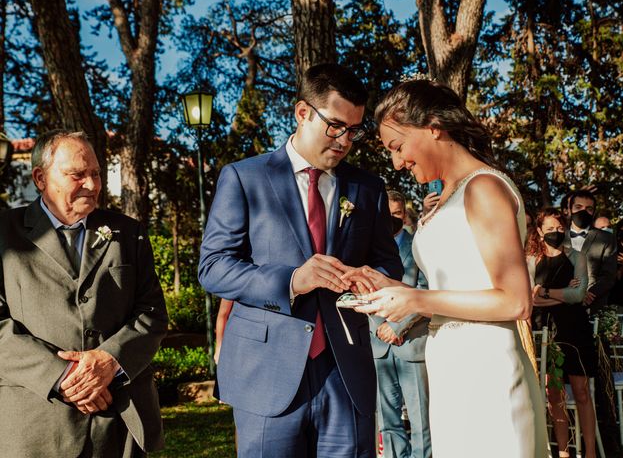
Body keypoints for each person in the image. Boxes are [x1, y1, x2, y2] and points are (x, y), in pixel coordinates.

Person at [198, 63, 403, 457]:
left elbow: (387, 265)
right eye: (336, 126)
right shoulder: (244, 177)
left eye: (354, 130)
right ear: (303, 112)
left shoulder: (368, 187)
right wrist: (292, 280)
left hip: (345, 370)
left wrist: (369, 279)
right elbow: (213, 267)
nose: (345, 141)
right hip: (266, 372)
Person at [345, 79, 549, 457]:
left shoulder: (482, 188)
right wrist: (389, 287)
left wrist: (415, 298)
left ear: (434, 126)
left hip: (487, 367)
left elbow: (515, 301)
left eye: (398, 146)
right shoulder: (447, 197)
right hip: (451, 364)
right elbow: (455, 285)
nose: (397, 162)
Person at [0, 130, 168, 457]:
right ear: (40, 178)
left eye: (95, 174)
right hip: (36, 426)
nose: (92, 185)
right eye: (77, 175)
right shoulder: (4, 232)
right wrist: (64, 376)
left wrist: (111, 361)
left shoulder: (128, 232)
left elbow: (152, 313)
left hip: (120, 423)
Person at [526, 208, 596, 458]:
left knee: (581, 392)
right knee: (553, 394)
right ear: (538, 231)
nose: (555, 233)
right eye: (549, 229)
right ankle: (564, 452)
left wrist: (544, 292)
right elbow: (527, 299)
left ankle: (590, 452)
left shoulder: (577, 257)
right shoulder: (531, 260)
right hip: (547, 332)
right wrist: (562, 294)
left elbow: (578, 295)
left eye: (559, 229)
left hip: (576, 331)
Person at [370, 190, 430, 458]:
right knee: (387, 418)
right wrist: (379, 327)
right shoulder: (367, 249)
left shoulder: (419, 246)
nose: (391, 220)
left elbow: (426, 290)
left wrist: (396, 326)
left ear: (404, 215)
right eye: (386, 215)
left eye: (396, 214)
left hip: (411, 341)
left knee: (420, 419)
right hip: (378, 344)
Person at [563, 190, 617, 312]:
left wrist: (587, 294)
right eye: (578, 207)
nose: (583, 211)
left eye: (589, 208)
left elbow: (609, 276)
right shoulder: (558, 236)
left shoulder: (607, 238)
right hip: (559, 304)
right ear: (569, 209)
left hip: (593, 305)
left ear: (593, 212)